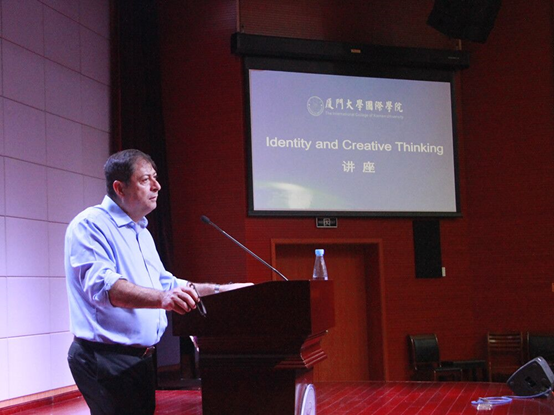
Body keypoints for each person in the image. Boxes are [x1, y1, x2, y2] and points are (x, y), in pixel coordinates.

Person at [65, 149, 250, 415]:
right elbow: (106, 288)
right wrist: (164, 299)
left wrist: (222, 290)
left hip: (140, 360)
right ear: (119, 188)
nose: (157, 186)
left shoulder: (141, 231)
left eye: (155, 177)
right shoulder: (90, 225)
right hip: (104, 359)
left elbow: (168, 284)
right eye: (145, 180)